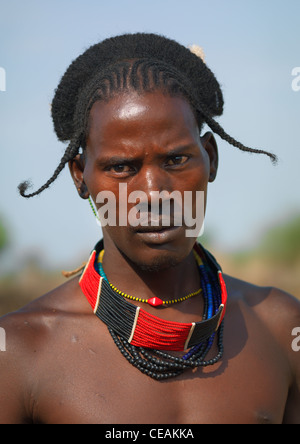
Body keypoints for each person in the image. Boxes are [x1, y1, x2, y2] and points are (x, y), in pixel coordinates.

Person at [0, 33, 299, 425]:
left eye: (176, 159)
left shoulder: (281, 328)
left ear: (210, 158)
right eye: (121, 167)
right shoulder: (20, 353)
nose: (154, 194)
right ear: (80, 177)